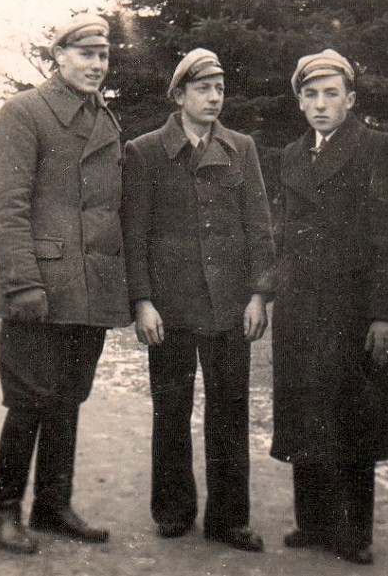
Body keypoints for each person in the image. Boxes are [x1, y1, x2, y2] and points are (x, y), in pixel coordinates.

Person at [0, 14, 131, 554]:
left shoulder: (105, 121)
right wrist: (22, 283)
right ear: (58, 57)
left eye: (103, 56)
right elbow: (5, 208)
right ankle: (3, 512)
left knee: (68, 398)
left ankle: (52, 506)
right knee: (29, 400)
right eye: (86, 54)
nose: (96, 65)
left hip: (89, 288)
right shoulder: (24, 114)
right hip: (42, 287)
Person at [121, 48, 275, 553]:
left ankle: (229, 520)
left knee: (229, 412)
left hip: (231, 306)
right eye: (203, 89)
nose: (214, 98)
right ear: (179, 95)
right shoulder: (144, 152)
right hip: (170, 308)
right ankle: (172, 510)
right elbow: (134, 234)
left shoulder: (242, 148)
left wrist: (259, 295)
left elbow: (259, 227)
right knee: (172, 408)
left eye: (220, 89)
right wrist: (142, 302)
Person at [270, 49, 388, 565]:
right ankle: (312, 521)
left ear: (351, 99)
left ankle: (353, 529)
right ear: (300, 101)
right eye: (311, 94)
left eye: (332, 94)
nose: (321, 104)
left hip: (354, 310)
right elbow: (283, 235)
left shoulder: (380, 149)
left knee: (354, 418)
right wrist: (272, 291)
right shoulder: (290, 155)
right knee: (306, 413)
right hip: (301, 309)